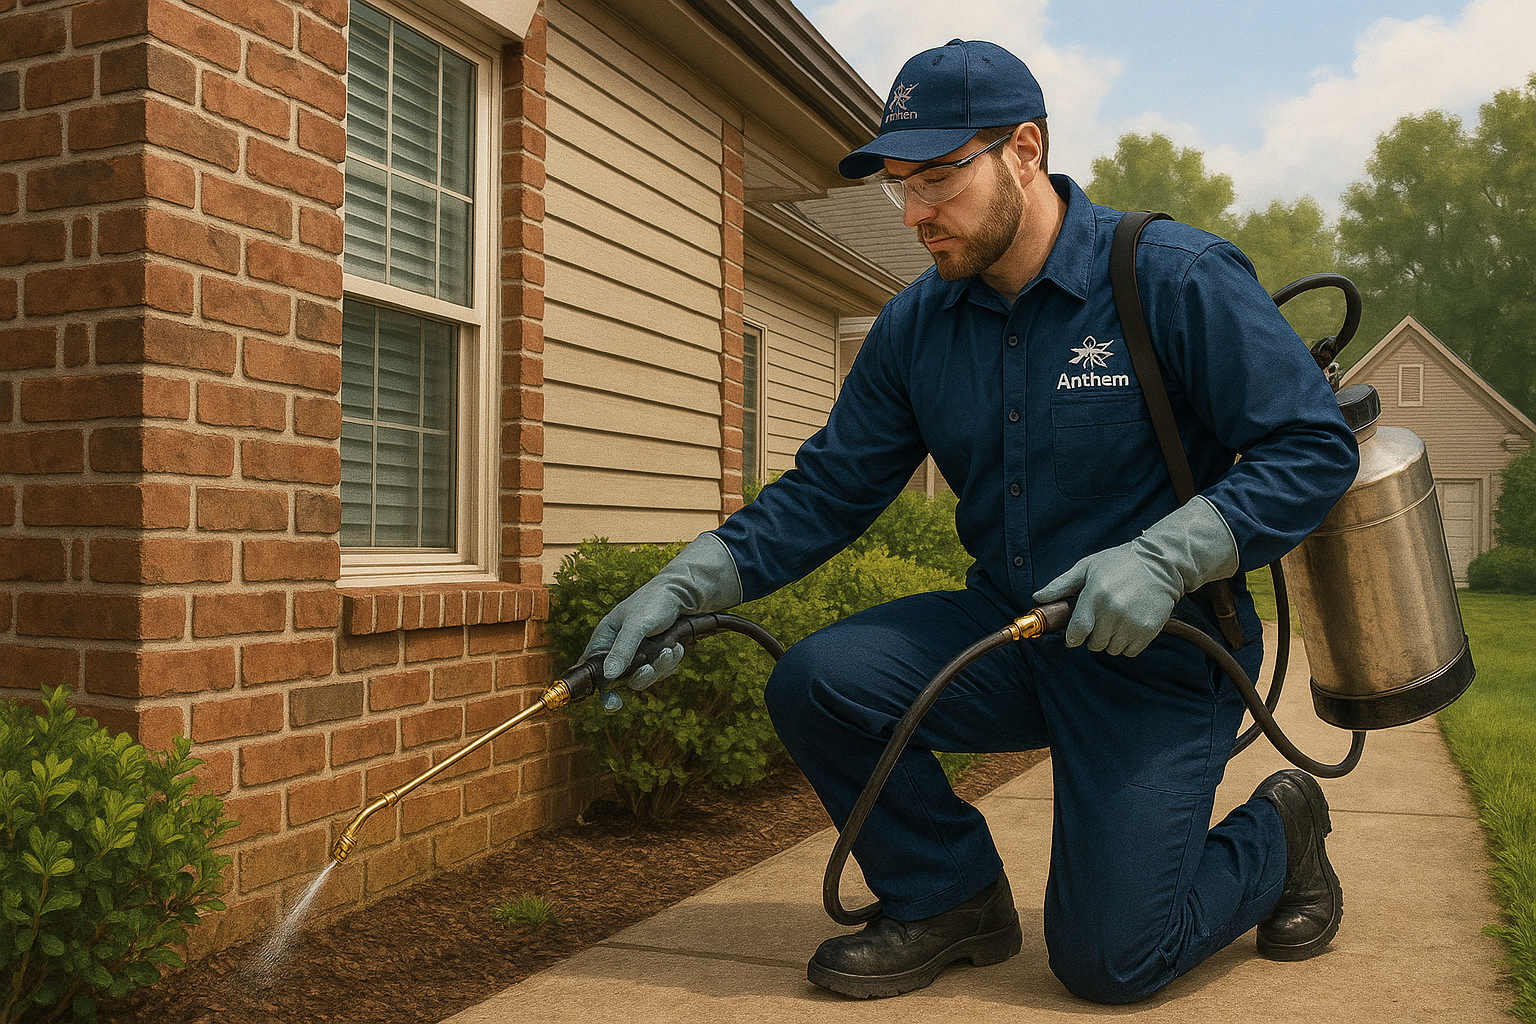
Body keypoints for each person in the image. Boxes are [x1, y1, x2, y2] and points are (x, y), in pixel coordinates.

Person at [581, 39, 1359, 1005]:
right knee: (818, 682)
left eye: (939, 177)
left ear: (1025, 149)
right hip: (1010, 630)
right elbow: (828, 491)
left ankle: (1279, 832)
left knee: (1112, 961)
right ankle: (948, 896)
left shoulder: (1171, 277)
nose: (914, 214)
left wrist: (1166, 557)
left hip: (1160, 658)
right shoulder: (917, 325)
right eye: (898, 186)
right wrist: (684, 583)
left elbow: (1313, 448)